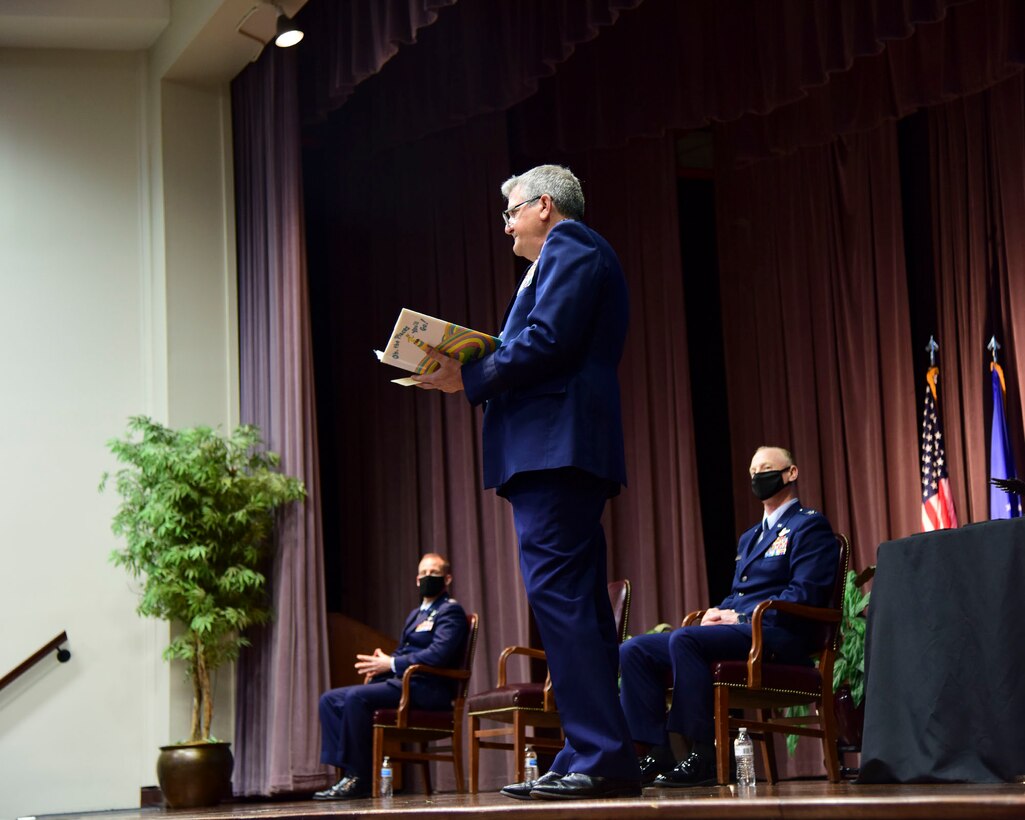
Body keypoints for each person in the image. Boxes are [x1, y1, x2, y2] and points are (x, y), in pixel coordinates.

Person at [414, 165, 640, 800]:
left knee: (563, 604)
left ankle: (596, 755)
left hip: (555, 450)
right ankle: (595, 752)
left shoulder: (572, 247)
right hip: (558, 450)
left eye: (512, 209)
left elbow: (547, 339)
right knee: (580, 609)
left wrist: (470, 374)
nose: (507, 221)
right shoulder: (560, 260)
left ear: (546, 205)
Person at [620, 445, 837, 788]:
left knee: (685, 640)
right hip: (744, 629)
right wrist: (718, 613)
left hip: (779, 632)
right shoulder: (750, 537)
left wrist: (738, 617)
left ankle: (704, 753)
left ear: (791, 473)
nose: (757, 477)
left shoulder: (809, 526)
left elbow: (804, 593)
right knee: (634, 651)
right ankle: (657, 750)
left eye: (766, 468)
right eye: (752, 472)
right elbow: (739, 594)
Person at [313, 553, 468, 800]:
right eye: (424, 574)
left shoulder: (451, 612)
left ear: (447, 578)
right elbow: (401, 652)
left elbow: (439, 654)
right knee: (329, 700)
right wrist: (379, 667)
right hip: (402, 683)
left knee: (355, 698)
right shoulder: (415, 615)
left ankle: (360, 778)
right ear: (417, 580)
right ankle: (345, 774)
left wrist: (392, 663)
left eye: (434, 574)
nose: (428, 578)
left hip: (426, 689)